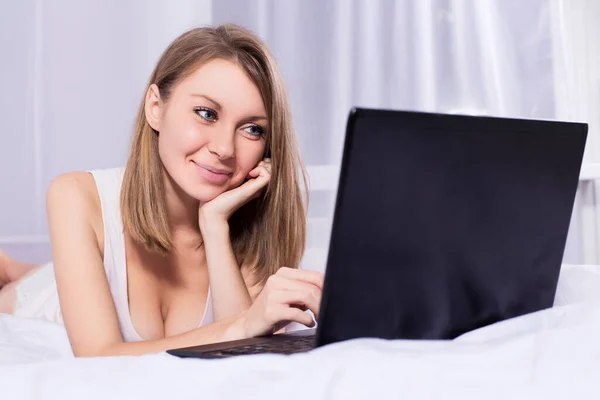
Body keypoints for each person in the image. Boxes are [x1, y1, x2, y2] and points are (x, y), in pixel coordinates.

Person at [0, 24, 324, 357]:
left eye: (253, 129)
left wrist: (214, 225)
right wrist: (243, 325)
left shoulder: (256, 226)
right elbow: (98, 357)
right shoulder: (76, 195)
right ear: (156, 107)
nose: (225, 148)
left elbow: (243, 359)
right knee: (21, 283)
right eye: (206, 113)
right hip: (41, 297)